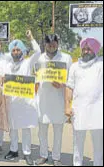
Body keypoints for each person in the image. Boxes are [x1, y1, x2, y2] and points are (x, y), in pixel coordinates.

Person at [3, 30, 41, 166]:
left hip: (25, 103)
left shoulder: (27, 63)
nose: (15, 52)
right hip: (11, 102)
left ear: (23, 51)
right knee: (12, 128)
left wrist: (31, 38)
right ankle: (13, 150)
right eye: (13, 50)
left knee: (25, 128)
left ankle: (27, 153)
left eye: (18, 49)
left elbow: (37, 52)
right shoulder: (7, 65)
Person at [35, 34, 73, 166]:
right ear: (45, 44)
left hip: (59, 100)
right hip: (43, 100)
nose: (52, 46)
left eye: (54, 43)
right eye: (49, 43)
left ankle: (56, 157)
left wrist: (63, 84)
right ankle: (43, 155)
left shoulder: (66, 58)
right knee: (42, 131)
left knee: (58, 131)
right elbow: (35, 78)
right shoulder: (40, 59)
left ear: (57, 43)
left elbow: (71, 79)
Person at [65, 37, 103, 166]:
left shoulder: (101, 64)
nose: (86, 51)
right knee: (77, 143)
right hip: (79, 110)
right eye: (84, 49)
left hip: (98, 111)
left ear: (95, 50)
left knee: (98, 145)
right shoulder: (75, 66)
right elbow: (69, 87)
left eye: (89, 49)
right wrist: (67, 106)